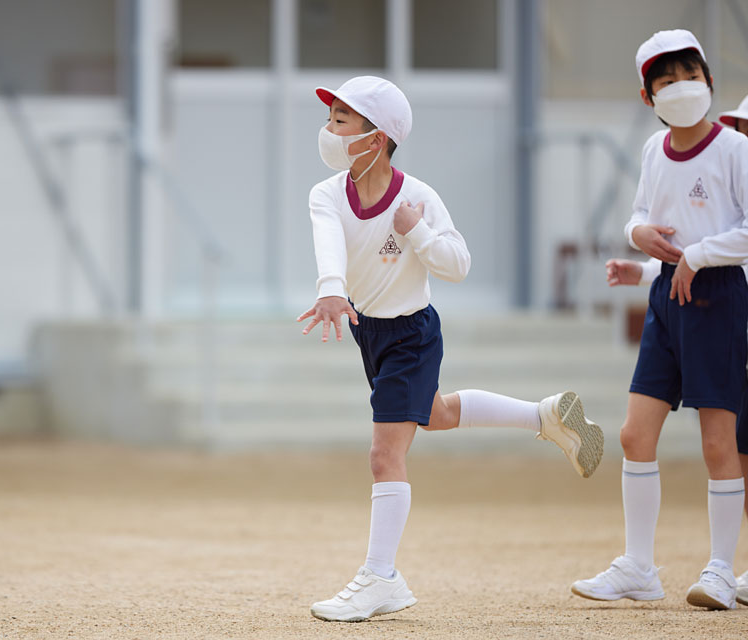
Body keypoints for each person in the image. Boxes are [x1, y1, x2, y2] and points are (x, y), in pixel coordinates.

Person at [297, 75, 604, 623]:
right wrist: (331, 289)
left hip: (412, 334)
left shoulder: (418, 197)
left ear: (376, 137)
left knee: (384, 455)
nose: (328, 130)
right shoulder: (326, 193)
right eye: (330, 119)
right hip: (371, 333)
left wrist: (416, 231)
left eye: (340, 120)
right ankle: (545, 415)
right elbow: (329, 243)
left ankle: (380, 577)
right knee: (435, 413)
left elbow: (458, 266)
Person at [571, 30, 748, 610]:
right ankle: (639, 568)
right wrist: (638, 241)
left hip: (719, 299)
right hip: (666, 301)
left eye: (690, 75)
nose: (681, 87)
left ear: (710, 80)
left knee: (719, 441)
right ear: (647, 97)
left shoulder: (735, 149)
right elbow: (642, 214)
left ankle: (721, 569)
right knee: (633, 434)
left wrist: (697, 255)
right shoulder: (653, 149)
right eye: (666, 80)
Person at [606, 255, 748, 607]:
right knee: (741, 454)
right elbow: (700, 244)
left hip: (725, 310)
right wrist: (643, 263)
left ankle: (720, 569)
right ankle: (641, 565)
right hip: (717, 315)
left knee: (727, 446)